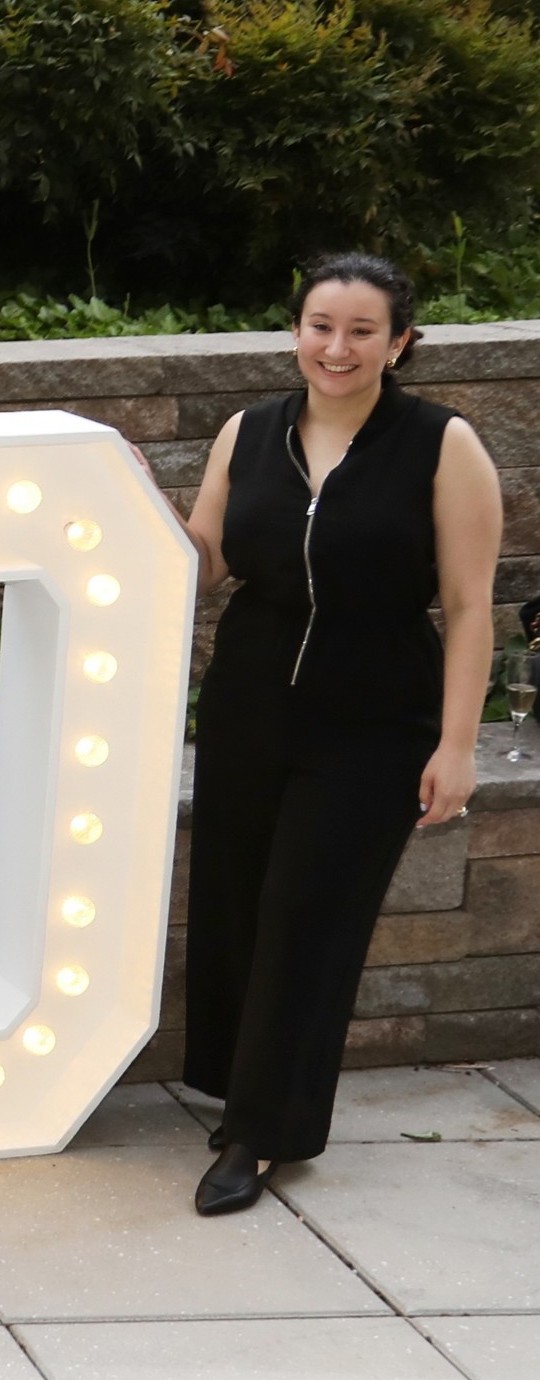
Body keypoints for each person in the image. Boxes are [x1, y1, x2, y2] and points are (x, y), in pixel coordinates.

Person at [181, 254, 491, 1216]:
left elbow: (469, 605)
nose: (338, 347)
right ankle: (240, 1088)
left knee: (308, 918)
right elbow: (204, 558)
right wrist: (117, 513)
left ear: (400, 342)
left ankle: (260, 1133)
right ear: (296, 331)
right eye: (322, 325)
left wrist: (458, 746)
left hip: (375, 717)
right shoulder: (249, 431)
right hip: (248, 702)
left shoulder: (441, 443)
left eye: (363, 330)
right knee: (237, 902)